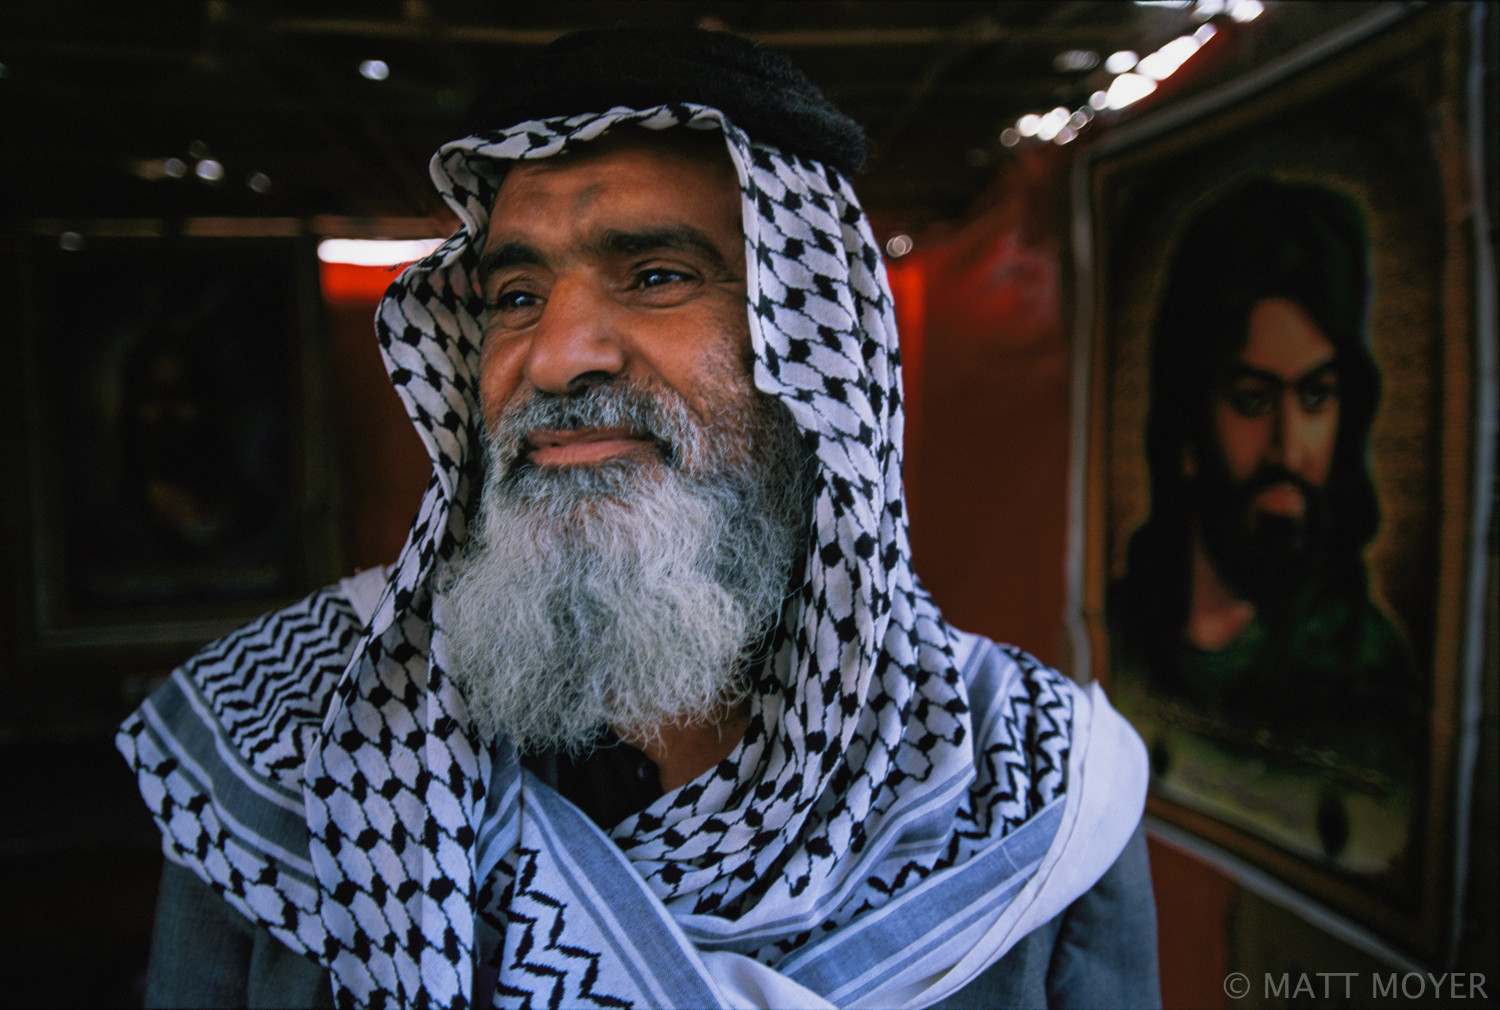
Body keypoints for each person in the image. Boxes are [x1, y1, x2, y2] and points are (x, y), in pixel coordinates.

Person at [122, 27, 1157, 1009]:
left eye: (658, 276)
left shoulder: (1035, 789)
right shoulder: (292, 741)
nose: (557, 353)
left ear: (812, 351)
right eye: (515, 293)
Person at [1109, 179, 1423, 772]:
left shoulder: (1365, 673)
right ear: (1187, 427)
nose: (1289, 450)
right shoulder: (1124, 629)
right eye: (1252, 400)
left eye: (1315, 396)